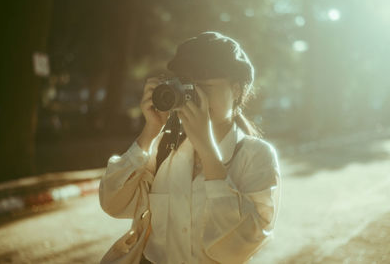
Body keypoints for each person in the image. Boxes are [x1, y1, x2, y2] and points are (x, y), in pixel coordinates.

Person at [99, 31, 281, 264]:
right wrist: (150, 131)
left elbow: (240, 246)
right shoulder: (164, 148)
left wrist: (207, 149)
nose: (196, 98)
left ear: (235, 90)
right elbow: (112, 204)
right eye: (189, 88)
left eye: (205, 87)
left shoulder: (256, 156)